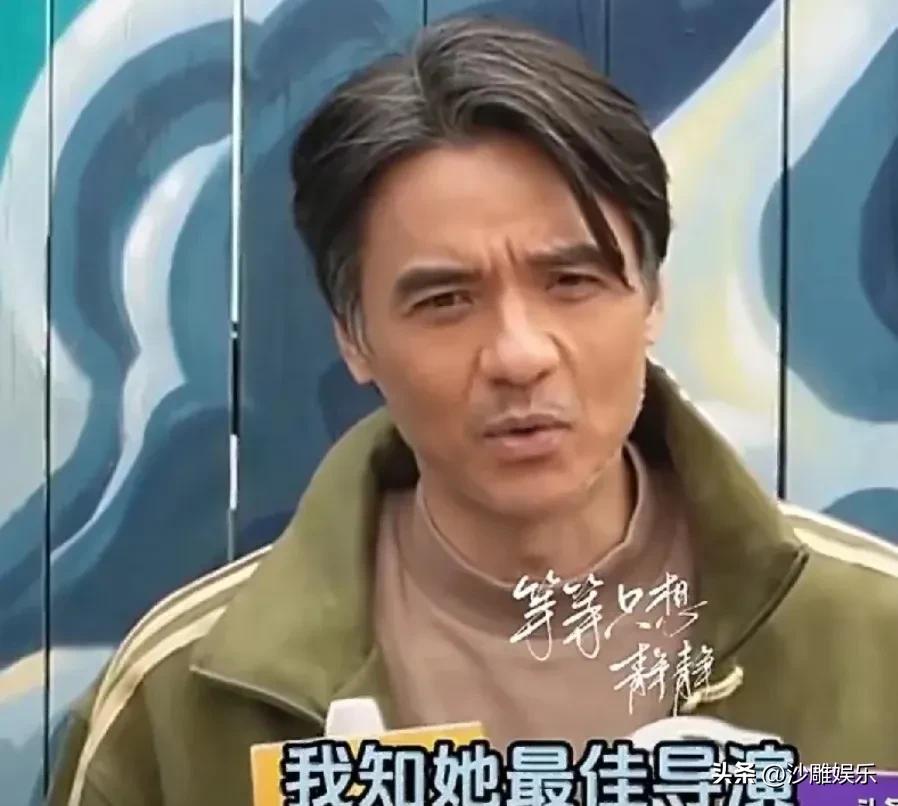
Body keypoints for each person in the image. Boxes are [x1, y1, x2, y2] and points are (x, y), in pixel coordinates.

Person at [49, 16, 898, 806]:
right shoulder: (187, 694)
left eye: (572, 281)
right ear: (354, 337)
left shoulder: (873, 635)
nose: (519, 355)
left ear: (651, 299)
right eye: (446, 300)